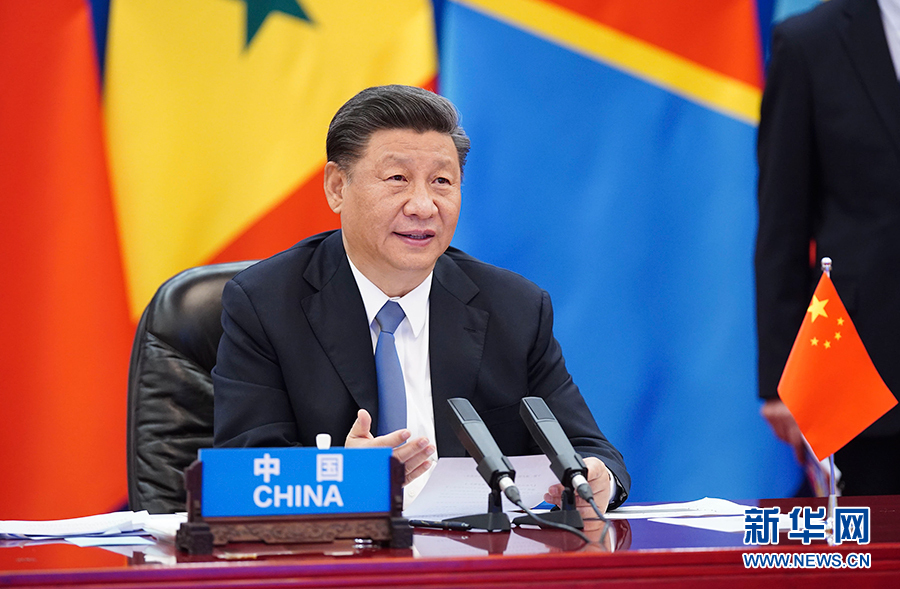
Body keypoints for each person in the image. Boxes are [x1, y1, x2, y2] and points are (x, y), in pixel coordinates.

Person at [213, 85, 629, 510]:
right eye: (397, 179)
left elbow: (588, 449)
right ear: (337, 187)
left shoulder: (513, 307)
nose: (423, 206)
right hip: (338, 546)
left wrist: (599, 479)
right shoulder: (266, 303)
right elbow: (241, 475)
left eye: (441, 182)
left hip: (474, 547)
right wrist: (343, 477)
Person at [756, 0, 900, 495]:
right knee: (870, 536)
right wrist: (781, 380)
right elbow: (782, 224)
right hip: (866, 368)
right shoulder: (808, 43)